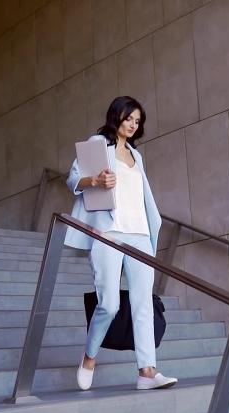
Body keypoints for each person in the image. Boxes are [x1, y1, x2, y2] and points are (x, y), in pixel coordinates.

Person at [64, 96, 178, 391]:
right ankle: (90, 356)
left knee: (143, 304)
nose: (132, 125)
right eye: (129, 118)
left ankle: (147, 372)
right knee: (110, 304)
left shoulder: (136, 156)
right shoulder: (97, 144)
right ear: (117, 116)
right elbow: (73, 179)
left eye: (137, 121)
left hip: (139, 234)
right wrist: (96, 181)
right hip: (108, 233)